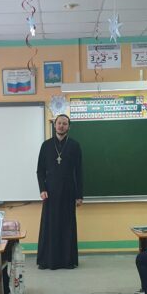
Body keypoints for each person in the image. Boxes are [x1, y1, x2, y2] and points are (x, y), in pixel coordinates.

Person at [36, 114, 83, 270]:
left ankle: (67, 261)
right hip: (50, 192)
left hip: (69, 191)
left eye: (64, 123)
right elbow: (40, 171)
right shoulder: (46, 145)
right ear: (54, 125)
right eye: (59, 123)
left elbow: (79, 172)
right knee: (50, 226)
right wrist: (42, 189)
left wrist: (79, 195)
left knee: (67, 226)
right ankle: (47, 261)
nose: (61, 126)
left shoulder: (75, 146)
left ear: (69, 126)